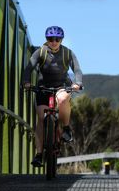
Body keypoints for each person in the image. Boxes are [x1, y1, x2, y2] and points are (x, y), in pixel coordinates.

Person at [23, 25, 83, 167]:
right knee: (41, 118)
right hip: (42, 88)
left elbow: (77, 69)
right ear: (46, 39)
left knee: (63, 99)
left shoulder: (67, 53)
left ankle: (66, 128)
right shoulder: (40, 52)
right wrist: (25, 81)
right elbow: (28, 68)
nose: (54, 42)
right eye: (50, 39)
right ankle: (38, 154)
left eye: (57, 39)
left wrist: (78, 83)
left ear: (61, 40)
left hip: (62, 86)